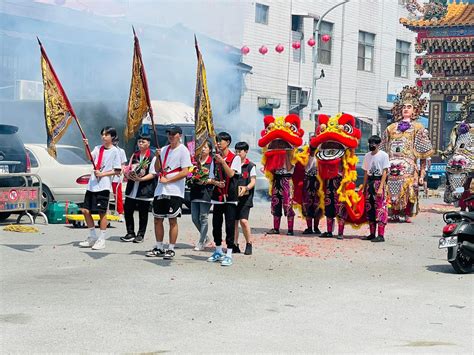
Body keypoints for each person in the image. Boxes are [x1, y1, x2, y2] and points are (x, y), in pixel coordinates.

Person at [382, 86, 433, 223]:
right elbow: (383, 149)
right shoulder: (391, 128)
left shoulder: (418, 128)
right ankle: (392, 211)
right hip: (391, 163)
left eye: (409, 107)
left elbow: (423, 154)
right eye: (404, 106)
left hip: (409, 166)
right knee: (390, 186)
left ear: (415, 110)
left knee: (409, 187)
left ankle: (405, 212)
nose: (406, 109)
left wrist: (422, 174)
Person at [145, 126, 192, 260]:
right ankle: (159, 246)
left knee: (172, 219)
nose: (170, 136)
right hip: (161, 189)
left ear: (179, 135)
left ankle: (171, 248)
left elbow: (185, 171)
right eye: (168, 134)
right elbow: (157, 168)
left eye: (173, 134)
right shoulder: (164, 149)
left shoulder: (183, 150)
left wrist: (169, 180)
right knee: (157, 219)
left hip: (174, 190)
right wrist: (158, 156)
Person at [79, 126, 122, 250]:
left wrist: (103, 174)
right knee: (85, 210)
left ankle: (102, 239)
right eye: (102, 134)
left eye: (106, 135)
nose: (104, 137)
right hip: (92, 185)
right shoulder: (98, 148)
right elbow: (89, 158)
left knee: (102, 213)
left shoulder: (115, 151)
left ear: (112, 137)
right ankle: (92, 236)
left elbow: (117, 170)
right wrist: (86, 146)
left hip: (103, 185)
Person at [207, 132, 241, 266]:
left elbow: (231, 174)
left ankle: (229, 253)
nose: (218, 143)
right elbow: (210, 177)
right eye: (217, 141)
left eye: (220, 141)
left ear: (227, 142)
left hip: (230, 196)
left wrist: (223, 162)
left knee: (229, 225)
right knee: (216, 224)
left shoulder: (235, 158)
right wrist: (215, 183)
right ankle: (218, 250)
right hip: (218, 196)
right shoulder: (214, 158)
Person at [120, 135, 157, 243]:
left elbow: (153, 174)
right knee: (128, 210)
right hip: (132, 188)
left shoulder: (152, 157)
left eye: (143, 142)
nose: (140, 144)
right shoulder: (134, 155)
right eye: (139, 142)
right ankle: (130, 232)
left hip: (144, 188)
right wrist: (127, 174)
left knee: (143, 213)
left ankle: (141, 234)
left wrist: (141, 179)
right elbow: (129, 167)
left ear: (148, 144)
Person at [361, 135, 390, 242]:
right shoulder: (367, 156)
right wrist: (364, 187)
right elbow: (365, 172)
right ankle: (372, 233)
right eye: (370, 143)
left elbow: (385, 172)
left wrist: (381, 188)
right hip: (370, 182)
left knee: (380, 208)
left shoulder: (384, 155)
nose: (371, 145)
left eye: (374, 143)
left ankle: (381, 235)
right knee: (370, 208)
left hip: (378, 182)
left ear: (378, 145)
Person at [189, 140, 214, 251]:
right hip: (195, 191)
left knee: (203, 217)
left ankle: (201, 241)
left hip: (206, 192)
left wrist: (205, 181)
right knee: (194, 218)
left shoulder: (211, 162)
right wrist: (191, 178)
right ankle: (206, 238)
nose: (203, 149)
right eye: (201, 147)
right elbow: (189, 173)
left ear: (210, 149)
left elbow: (214, 178)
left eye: (205, 147)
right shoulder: (194, 161)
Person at [233, 142, 256, 256]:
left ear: (246, 152)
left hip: (245, 197)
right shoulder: (233, 164)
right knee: (233, 222)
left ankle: (249, 243)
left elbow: (253, 181)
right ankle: (235, 244)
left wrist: (246, 188)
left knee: (243, 221)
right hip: (233, 197)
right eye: (236, 151)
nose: (237, 153)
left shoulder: (250, 166)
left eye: (240, 151)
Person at [302, 146, 322, 235]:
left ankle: (316, 228)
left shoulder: (321, 155)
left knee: (317, 204)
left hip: (318, 182)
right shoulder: (304, 155)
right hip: (307, 181)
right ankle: (309, 228)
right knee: (307, 204)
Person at [111, 138, 127, 222]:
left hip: (117, 174)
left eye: (116, 140)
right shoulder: (105, 149)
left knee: (118, 194)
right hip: (107, 174)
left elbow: (123, 164)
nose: (114, 142)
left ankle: (120, 213)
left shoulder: (121, 151)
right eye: (113, 140)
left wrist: (122, 170)